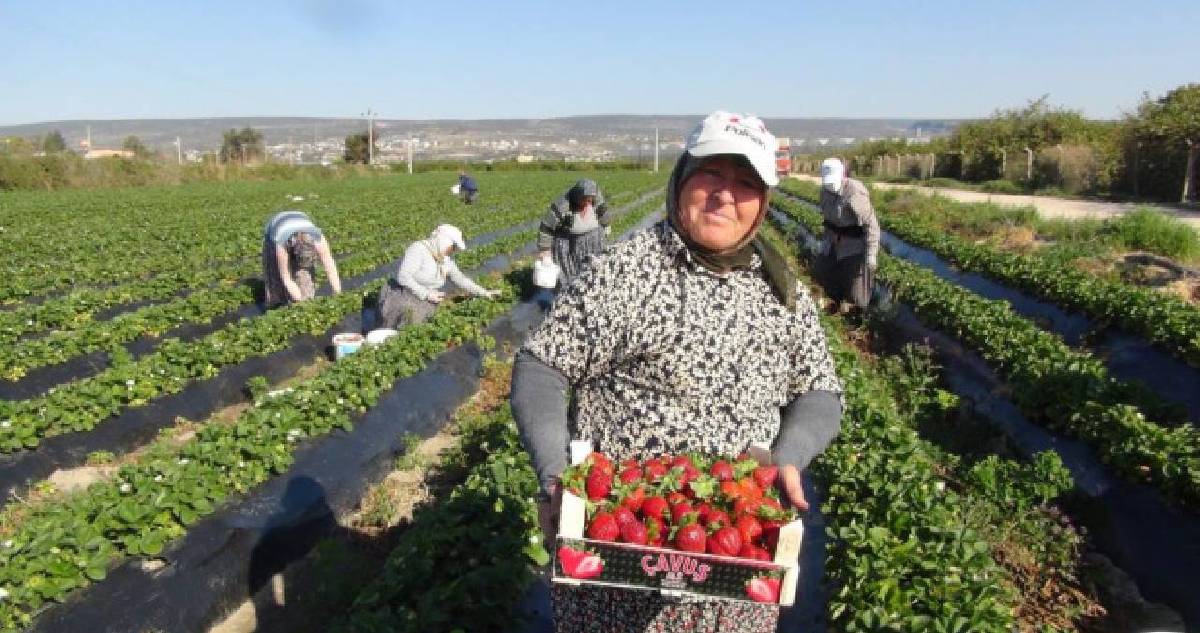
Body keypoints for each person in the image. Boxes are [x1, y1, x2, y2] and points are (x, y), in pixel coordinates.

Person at [510, 111, 843, 633]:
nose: (725, 195)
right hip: (615, 562)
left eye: (746, 183)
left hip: (734, 572)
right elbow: (542, 365)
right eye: (712, 173)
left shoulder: (783, 292)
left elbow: (819, 390)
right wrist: (556, 476)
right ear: (682, 178)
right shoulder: (624, 272)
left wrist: (789, 459)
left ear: (763, 203)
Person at [375, 224, 499, 329]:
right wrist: (427, 294)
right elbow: (403, 277)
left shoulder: (445, 259)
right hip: (402, 295)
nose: (453, 250)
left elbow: (460, 279)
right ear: (444, 240)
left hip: (425, 300)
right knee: (401, 325)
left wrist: (484, 292)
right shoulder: (419, 249)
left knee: (419, 325)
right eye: (453, 246)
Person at [814, 157, 880, 312]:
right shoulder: (825, 191)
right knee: (821, 272)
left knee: (857, 295)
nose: (831, 186)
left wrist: (871, 254)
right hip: (834, 242)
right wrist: (825, 241)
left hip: (854, 246)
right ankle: (833, 304)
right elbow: (828, 221)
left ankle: (856, 314)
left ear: (843, 175)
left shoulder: (855, 192)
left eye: (833, 182)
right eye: (827, 183)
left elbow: (872, 225)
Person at [537, 178, 610, 286]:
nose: (587, 203)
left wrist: (606, 224)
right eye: (583, 200)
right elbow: (546, 227)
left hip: (593, 240)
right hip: (568, 243)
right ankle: (571, 290)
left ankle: (593, 285)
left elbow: (602, 210)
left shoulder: (595, 196)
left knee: (593, 268)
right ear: (577, 196)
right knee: (571, 274)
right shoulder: (562, 205)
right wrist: (545, 251)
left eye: (589, 200)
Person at [261, 210, 342, 308]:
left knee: (305, 282)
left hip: (299, 221)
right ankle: (274, 305)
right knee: (275, 278)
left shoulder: (318, 239)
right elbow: (286, 278)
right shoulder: (280, 243)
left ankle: (304, 299)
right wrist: (299, 301)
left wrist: (337, 293)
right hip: (276, 228)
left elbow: (329, 264)